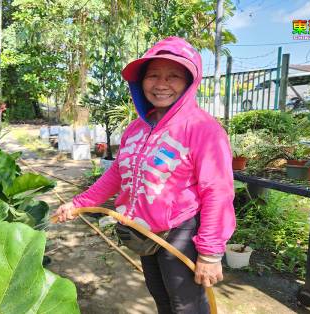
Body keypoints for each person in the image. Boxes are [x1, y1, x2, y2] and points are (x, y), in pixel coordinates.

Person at [55, 36, 236, 314]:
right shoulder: (137, 128)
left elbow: (218, 191)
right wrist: (78, 203)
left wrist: (210, 252)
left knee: (186, 305)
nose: (161, 84)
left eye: (173, 76)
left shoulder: (203, 129)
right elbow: (117, 173)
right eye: (153, 75)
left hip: (180, 231)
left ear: (189, 82)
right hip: (144, 230)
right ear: (141, 81)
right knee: (162, 298)